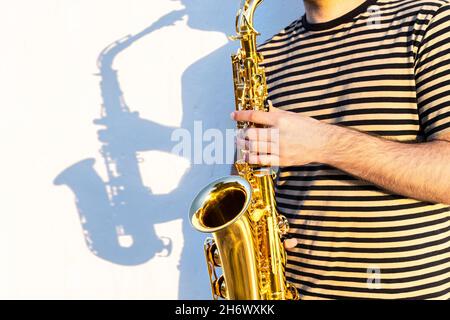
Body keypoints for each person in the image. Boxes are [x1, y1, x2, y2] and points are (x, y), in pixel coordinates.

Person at [232, 0, 450, 299]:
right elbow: (249, 171)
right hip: (291, 289)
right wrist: (257, 232)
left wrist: (325, 143)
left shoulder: (430, 21)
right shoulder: (266, 56)